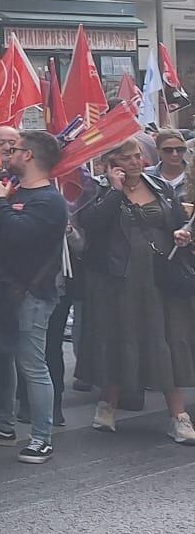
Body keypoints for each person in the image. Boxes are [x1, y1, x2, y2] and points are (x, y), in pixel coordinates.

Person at [73, 139, 195, 445]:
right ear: (110, 163)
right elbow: (92, 226)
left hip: (158, 278)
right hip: (119, 279)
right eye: (125, 158)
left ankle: (178, 416)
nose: (134, 162)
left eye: (137, 156)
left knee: (162, 341)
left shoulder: (159, 186)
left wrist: (182, 235)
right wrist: (115, 191)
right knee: (120, 337)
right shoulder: (100, 191)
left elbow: (176, 224)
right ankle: (108, 404)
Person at [0, 130, 68, 463]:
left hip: (32, 294)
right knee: (5, 358)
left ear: (29, 156)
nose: (9, 153)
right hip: (5, 289)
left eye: (17, 149)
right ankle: (1, 423)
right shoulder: (16, 191)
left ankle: (42, 436)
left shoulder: (49, 200)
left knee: (32, 365)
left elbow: (19, 234)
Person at [147, 129, 189, 206]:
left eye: (180, 149)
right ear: (157, 151)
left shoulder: (192, 175)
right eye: (168, 150)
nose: (175, 154)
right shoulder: (147, 177)